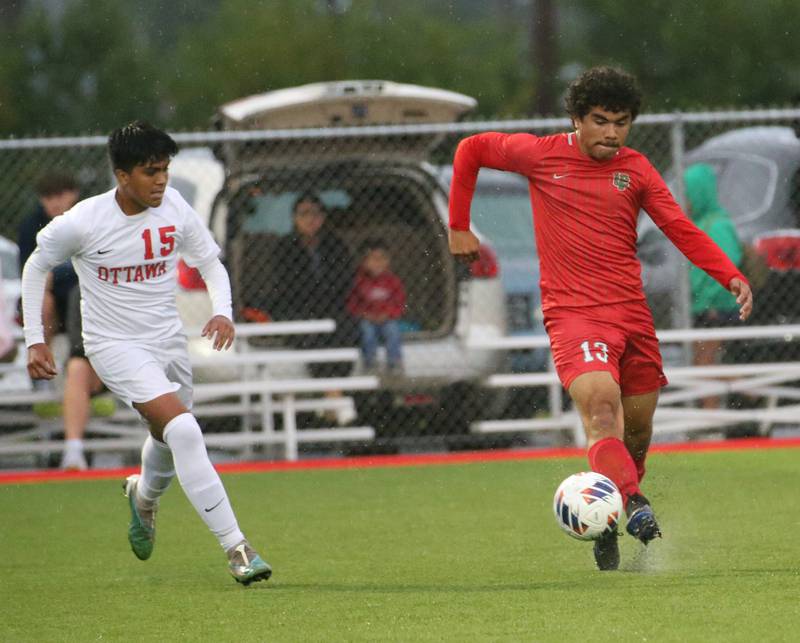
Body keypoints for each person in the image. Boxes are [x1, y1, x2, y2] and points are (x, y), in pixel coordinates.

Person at [447, 66, 753, 571]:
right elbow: (471, 149)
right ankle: (634, 505)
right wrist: (459, 225)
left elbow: (678, 226)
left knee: (636, 435)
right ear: (577, 118)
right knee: (601, 411)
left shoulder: (635, 169)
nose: (611, 132)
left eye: (621, 122)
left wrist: (729, 275)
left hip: (632, 316)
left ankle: (608, 517)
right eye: (600, 120)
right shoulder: (542, 155)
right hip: (574, 316)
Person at [22, 121, 271, 585]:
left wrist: (223, 312)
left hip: (167, 341)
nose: (161, 180)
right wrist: (36, 338)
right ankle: (238, 548)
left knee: (168, 437)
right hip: (114, 345)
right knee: (185, 430)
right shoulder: (84, 221)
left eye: (165, 170)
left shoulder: (174, 206)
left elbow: (210, 264)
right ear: (122, 175)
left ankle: (144, 496)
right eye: (150, 171)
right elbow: (37, 265)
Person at [17, 172, 107, 470]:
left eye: (60, 195)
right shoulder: (32, 225)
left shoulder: (90, 218)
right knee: (43, 300)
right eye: (48, 197)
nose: (54, 204)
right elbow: (31, 274)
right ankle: (42, 362)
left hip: (87, 305)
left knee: (81, 295)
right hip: (56, 305)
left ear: (74, 194)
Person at [684, 163, 744, 409]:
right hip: (704, 305)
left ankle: (750, 391)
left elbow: (729, 265)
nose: (685, 202)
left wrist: (712, 300)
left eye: (688, 194)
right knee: (703, 362)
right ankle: (713, 416)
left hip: (717, 307)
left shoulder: (717, 224)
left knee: (705, 362)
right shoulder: (700, 223)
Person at [346, 240, 406, 374]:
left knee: (393, 331)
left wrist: (388, 314)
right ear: (363, 261)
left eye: (382, 258)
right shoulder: (358, 281)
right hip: (367, 318)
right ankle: (370, 363)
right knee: (367, 333)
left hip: (387, 318)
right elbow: (352, 303)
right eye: (373, 259)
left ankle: (394, 362)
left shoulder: (393, 281)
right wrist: (364, 314)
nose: (378, 263)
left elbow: (400, 303)